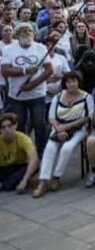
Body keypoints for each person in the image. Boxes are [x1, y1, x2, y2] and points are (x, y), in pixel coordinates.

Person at [34, 71, 93, 198]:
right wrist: (59, 129)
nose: (71, 84)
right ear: (65, 83)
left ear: (79, 82)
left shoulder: (87, 97)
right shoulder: (58, 96)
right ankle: (43, 181)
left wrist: (65, 127)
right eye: (68, 82)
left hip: (78, 129)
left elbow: (86, 118)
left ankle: (57, 176)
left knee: (67, 148)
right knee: (49, 148)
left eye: (74, 81)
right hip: (58, 128)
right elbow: (51, 117)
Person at [0, 23, 53, 157]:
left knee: (39, 124)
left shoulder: (40, 48)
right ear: (17, 34)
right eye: (23, 31)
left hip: (38, 94)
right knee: (20, 125)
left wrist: (32, 84)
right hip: (17, 97)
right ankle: (22, 154)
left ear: (34, 34)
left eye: (29, 30)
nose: (27, 33)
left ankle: (41, 154)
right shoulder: (9, 49)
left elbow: (49, 70)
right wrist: (24, 71)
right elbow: (5, 70)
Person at [0, 112, 39, 193]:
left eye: (9, 126)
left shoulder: (23, 139)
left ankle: (10, 183)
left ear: (15, 126)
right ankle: (9, 183)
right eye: (3, 127)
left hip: (19, 167)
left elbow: (34, 158)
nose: (7, 130)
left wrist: (24, 181)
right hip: (3, 168)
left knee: (34, 165)